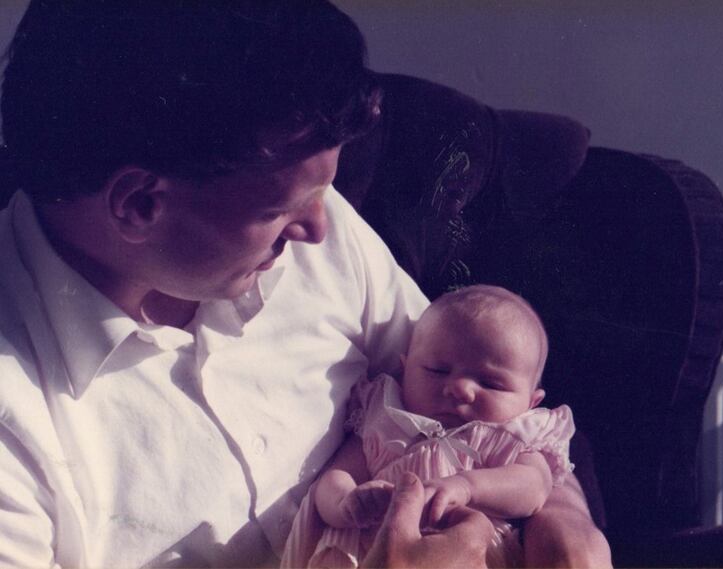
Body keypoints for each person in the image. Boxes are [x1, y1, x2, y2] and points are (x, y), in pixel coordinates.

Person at [0, 1, 610, 567]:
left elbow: (490, 403)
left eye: (325, 191)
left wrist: (566, 514)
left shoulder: (303, 220)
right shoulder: (16, 423)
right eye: (281, 210)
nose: (320, 228)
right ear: (138, 204)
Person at [283, 285, 574, 568]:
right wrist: (347, 502)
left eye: (491, 383)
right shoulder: (385, 421)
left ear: (531, 402)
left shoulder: (511, 437)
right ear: (405, 369)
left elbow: (534, 487)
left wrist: (469, 487)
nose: (460, 389)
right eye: (437, 370)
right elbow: (336, 477)